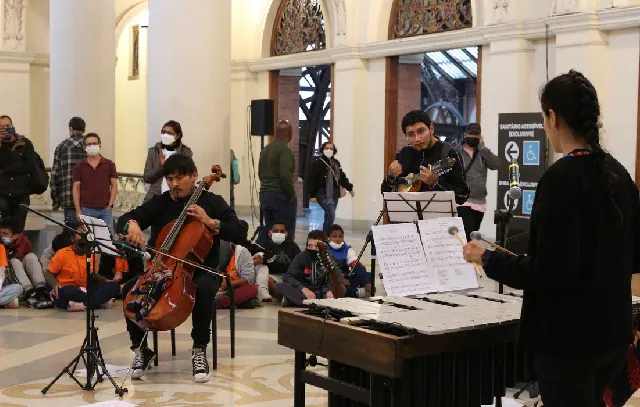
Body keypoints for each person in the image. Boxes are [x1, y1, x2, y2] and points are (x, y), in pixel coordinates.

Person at [462, 70, 637, 407]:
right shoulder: (619, 174)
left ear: (552, 116)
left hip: (568, 340)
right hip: (612, 334)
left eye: (544, 117)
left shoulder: (560, 178)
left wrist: (488, 259)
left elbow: (551, 272)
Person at [117, 154, 248, 383]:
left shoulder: (212, 202)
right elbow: (127, 218)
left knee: (204, 289)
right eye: (169, 178)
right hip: (164, 269)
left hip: (204, 268)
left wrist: (210, 222)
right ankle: (141, 349)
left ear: (194, 176)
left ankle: (199, 349)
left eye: (180, 178)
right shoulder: (161, 202)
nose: (174, 184)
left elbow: (239, 231)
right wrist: (132, 224)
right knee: (130, 290)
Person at [382, 110, 469, 205]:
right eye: (411, 135)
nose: (417, 138)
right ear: (406, 136)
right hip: (406, 217)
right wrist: (390, 177)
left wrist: (435, 183)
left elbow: (462, 196)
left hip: (438, 217)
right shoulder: (404, 153)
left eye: (421, 131)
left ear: (431, 128)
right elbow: (385, 193)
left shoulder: (449, 153)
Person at [48, 222, 120, 312]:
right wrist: (54, 284)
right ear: (72, 238)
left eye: (86, 233)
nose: (84, 236)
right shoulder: (62, 253)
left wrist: (106, 280)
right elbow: (48, 272)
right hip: (69, 289)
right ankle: (97, 302)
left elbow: (93, 275)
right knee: (66, 291)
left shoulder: (91, 254)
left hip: (86, 289)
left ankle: (83, 304)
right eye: (80, 233)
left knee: (114, 286)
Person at [454, 123, 500, 241]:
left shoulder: (483, 153)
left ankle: (468, 258)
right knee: (467, 235)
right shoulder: (455, 151)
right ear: (465, 135)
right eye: (471, 134)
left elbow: (496, 164)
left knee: (472, 236)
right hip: (462, 201)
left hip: (479, 201)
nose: (473, 136)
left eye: (476, 134)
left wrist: (483, 148)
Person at [275, 230, 343, 306]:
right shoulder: (301, 257)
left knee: (342, 288)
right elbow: (288, 276)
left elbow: (338, 277)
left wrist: (330, 291)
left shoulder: (329, 258)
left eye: (317, 246)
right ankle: (317, 304)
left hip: (323, 292)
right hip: (304, 291)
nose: (313, 249)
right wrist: (303, 289)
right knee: (280, 285)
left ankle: (296, 301)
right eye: (310, 246)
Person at [258, 120, 296, 246]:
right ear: (288, 134)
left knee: (270, 230)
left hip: (265, 195)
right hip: (280, 196)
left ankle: (267, 256)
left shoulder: (266, 149)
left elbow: (260, 173)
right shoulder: (285, 150)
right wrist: (291, 196)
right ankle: (286, 260)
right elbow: (285, 176)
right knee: (285, 232)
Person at [0, 217, 51, 308]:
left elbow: (28, 265)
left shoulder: (24, 242)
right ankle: (29, 293)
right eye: (1, 233)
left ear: (16, 236)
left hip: (21, 275)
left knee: (31, 257)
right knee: (14, 261)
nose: (2, 236)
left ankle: (41, 290)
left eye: (5, 233)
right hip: (7, 276)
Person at [72, 133, 118, 232]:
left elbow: (114, 185)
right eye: (89, 144)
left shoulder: (109, 164)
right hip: (86, 210)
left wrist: (110, 205)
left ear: (99, 145)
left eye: (94, 143)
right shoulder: (79, 166)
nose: (92, 146)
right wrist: (78, 210)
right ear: (84, 147)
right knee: (89, 239)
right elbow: (76, 188)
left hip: (105, 210)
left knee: (108, 239)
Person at [307, 142, 355, 235]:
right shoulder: (318, 163)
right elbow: (311, 179)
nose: (329, 150)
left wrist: (350, 188)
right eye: (327, 148)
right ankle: (326, 235)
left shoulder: (336, 163)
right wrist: (312, 195)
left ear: (334, 151)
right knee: (331, 214)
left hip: (335, 192)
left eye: (331, 149)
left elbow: (341, 177)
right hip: (323, 193)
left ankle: (325, 235)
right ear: (322, 149)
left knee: (328, 215)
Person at [0, 115, 36, 231]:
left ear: (12, 126)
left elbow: (29, 166)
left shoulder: (25, 143)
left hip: (21, 192)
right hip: (3, 193)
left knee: (19, 229)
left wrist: (6, 170)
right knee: (5, 229)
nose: (5, 129)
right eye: (1, 127)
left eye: (7, 126)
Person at [143, 120, 193, 202]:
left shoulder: (186, 152)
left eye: (170, 133)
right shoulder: (154, 151)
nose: (165, 135)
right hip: (155, 198)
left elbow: (186, 177)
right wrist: (162, 168)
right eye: (163, 132)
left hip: (177, 197)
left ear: (177, 135)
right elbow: (147, 177)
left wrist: (168, 166)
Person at [252, 222, 301, 301]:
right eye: (276, 231)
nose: (279, 233)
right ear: (270, 233)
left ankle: (285, 296)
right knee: (266, 274)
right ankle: (282, 297)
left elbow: (299, 262)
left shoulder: (293, 246)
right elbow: (258, 260)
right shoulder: (263, 245)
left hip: (287, 276)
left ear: (286, 234)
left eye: (282, 231)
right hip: (270, 276)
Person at [51, 117, 87, 223]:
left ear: (70, 128)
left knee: (72, 235)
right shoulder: (89, 145)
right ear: (84, 129)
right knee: (89, 235)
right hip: (88, 200)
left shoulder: (62, 147)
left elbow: (54, 175)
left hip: (69, 198)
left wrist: (56, 201)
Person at [327, 224, 371, 297]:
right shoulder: (324, 249)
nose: (338, 239)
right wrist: (340, 280)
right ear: (328, 237)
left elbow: (357, 265)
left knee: (368, 275)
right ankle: (354, 292)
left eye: (340, 236)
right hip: (331, 279)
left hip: (346, 278)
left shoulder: (347, 249)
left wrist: (366, 282)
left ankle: (357, 290)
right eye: (334, 236)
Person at [216, 241, 260, 308]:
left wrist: (227, 284)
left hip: (233, 290)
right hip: (214, 289)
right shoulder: (212, 249)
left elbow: (249, 278)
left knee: (253, 288)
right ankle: (240, 303)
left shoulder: (242, 252)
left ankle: (218, 303)